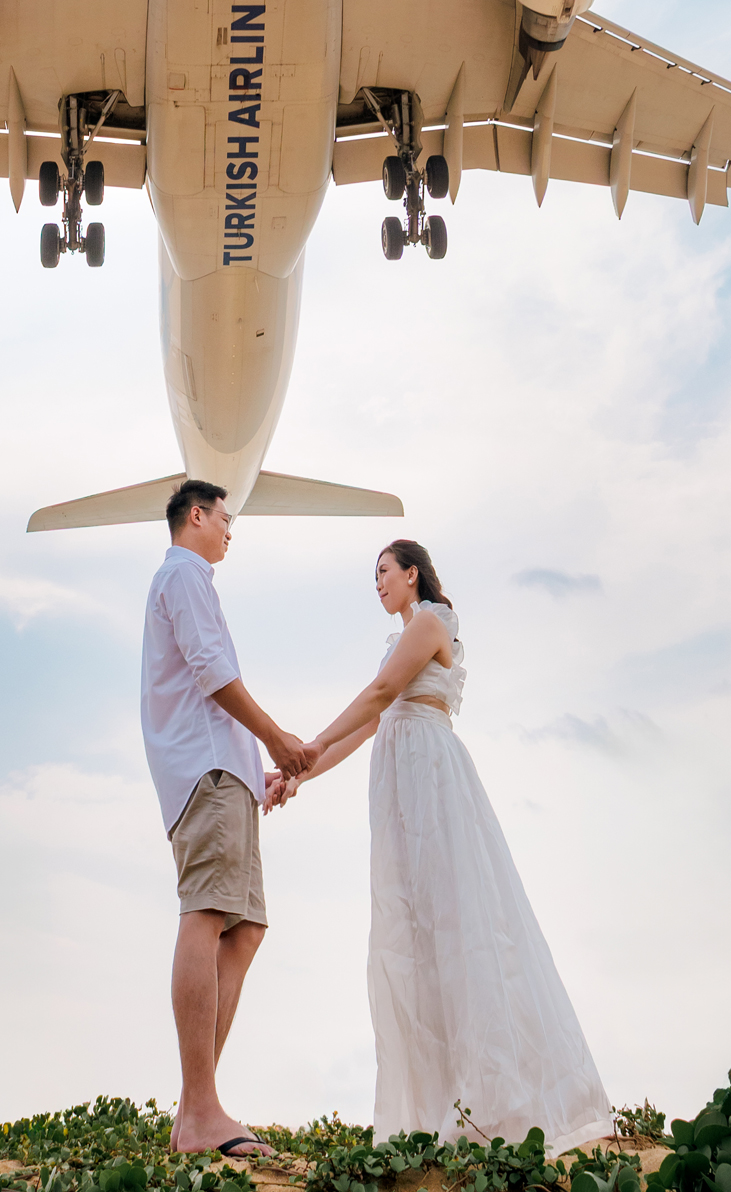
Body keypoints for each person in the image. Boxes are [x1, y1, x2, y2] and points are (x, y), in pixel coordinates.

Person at [264, 538, 611, 1154]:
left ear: (412, 573)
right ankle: (431, 1109)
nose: (377, 583)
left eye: (383, 572)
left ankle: (493, 1102)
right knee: (411, 938)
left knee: (460, 927)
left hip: (430, 774)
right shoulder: (397, 639)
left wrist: (305, 744)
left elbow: (377, 697)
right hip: (397, 782)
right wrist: (297, 776)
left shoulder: (431, 621)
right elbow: (371, 723)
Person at [141, 478, 319, 1159]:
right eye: (224, 517)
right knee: (208, 914)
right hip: (205, 770)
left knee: (244, 929)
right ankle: (203, 1111)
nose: (229, 530)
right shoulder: (183, 576)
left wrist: (260, 770)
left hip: (229, 771)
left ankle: (194, 1110)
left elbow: (211, 680)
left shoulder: (194, 582)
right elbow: (211, 671)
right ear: (196, 515)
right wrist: (274, 738)